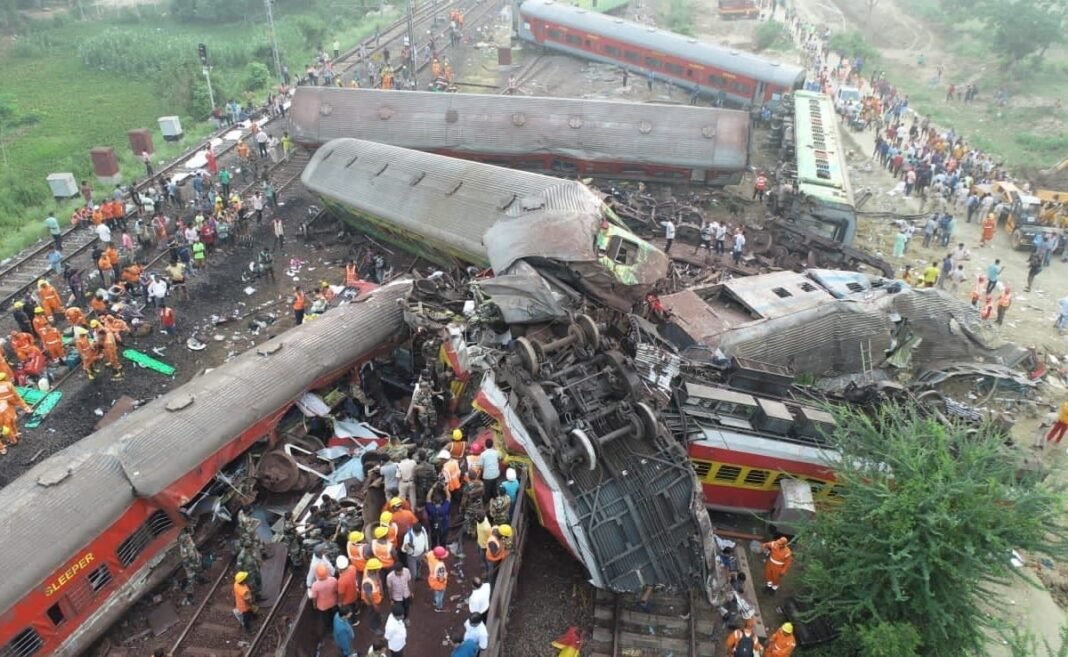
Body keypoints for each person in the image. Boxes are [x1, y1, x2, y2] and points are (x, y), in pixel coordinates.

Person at [309, 563, 339, 637]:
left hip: (323, 606)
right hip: (334, 602)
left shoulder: (315, 586)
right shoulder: (333, 580)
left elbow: (314, 597)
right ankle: (337, 625)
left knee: (326, 619)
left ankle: (330, 630)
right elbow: (336, 590)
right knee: (335, 615)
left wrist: (314, 604)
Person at [361, 559, 385, 634]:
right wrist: (374, 605)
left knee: (377, 611)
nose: (379, 569)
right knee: (372, 613)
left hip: (377, 597)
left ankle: (379, 617)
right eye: (377, 568)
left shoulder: (373, 572)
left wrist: (381, 591)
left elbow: (378, 580)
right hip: (371, 602)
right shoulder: (367, 582)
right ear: (373, 569)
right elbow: (369, 595)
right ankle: (374, 627)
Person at [426, 545, 449, 611]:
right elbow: (441, 579)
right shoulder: (440, 566)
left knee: (436, 592)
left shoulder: (431, 555)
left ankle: (435, 602)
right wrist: (445, 577)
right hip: (439, 583)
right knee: (440, 595)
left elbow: (427, 554)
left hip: (432, 578)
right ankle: (439, 607)